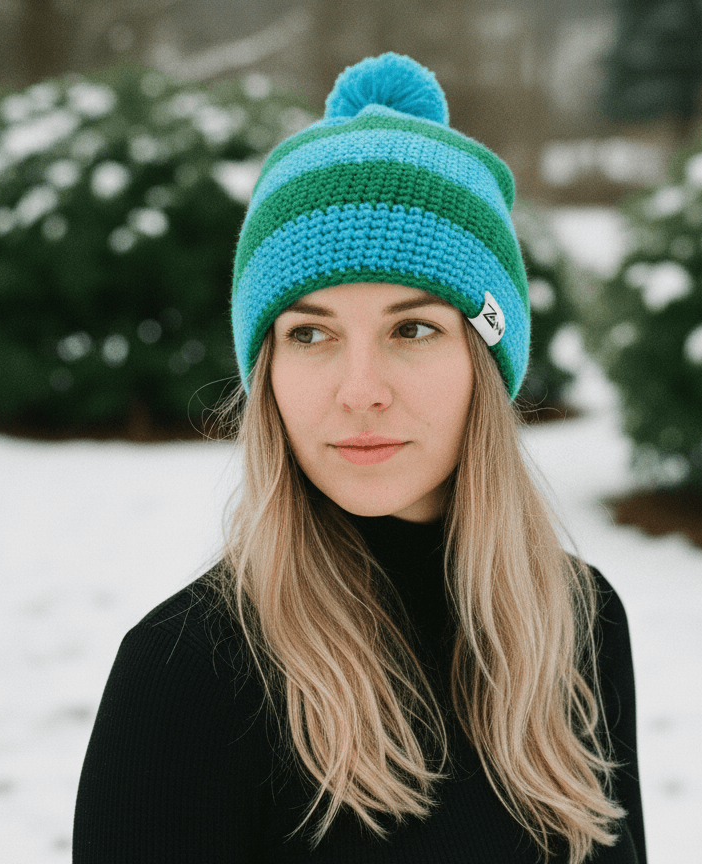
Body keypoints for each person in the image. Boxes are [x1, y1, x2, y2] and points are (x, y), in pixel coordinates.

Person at [73, 53, 646, 864]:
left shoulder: (579, 621)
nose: (360, 389)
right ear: (265, 371)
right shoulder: (187, 677)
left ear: (484, 362)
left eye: (412, 329)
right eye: (310, 333)